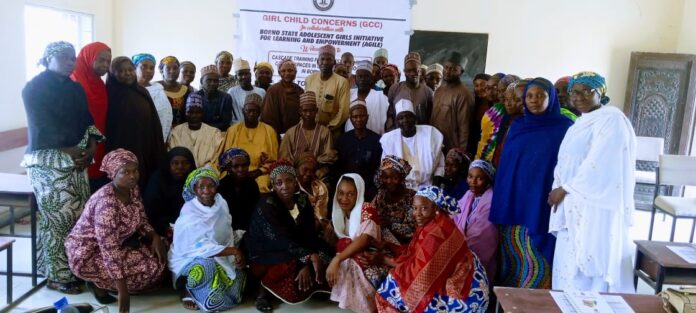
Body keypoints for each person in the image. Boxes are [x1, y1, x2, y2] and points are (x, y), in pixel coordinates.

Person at [22, 41, 105, 294]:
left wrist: (91, 148)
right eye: (64, 57)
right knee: (57, 219)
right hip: (48, 161)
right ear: (48, 58)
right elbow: (42, 126)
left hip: (77, 160)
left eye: (72, 57)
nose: (71, 61)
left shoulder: (75, 89)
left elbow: (87, 120)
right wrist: (69, 150)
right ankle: (58, 276)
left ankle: (69, 267)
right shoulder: (34, 88)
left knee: (77, 218)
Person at [548, 71, 636, 293]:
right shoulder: (580, 122)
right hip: (571, 203)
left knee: (590, 263)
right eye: (574, 92)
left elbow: (601, 163)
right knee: (568, 265)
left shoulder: (612, 120)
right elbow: (566, 159)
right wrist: (559, 185)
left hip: (594, 204)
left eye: (586, 91)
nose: (578, 97)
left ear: (601, 93)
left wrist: (565, 188)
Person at [490, 77, 574, 289]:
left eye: (540, 95)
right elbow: (508, 164)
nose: (534, 100)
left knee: (537, 257)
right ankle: (510, 302)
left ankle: (535, 305)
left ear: (551, 97)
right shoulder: (517, 126)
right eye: (529, 96)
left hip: (542, 200)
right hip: (514, 200)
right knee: (512, 256)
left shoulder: (565, 128)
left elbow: (569, 166)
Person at [65, 149, 167, 312]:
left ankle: (105, 281)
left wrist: (155, 237)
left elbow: (141, 220)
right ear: (113, 174)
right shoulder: (106, 204)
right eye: (125, 172)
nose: (132, 176)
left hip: (115, 247)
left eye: (135, 171)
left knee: (159, 259)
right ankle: (98, 283)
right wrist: (123, 293)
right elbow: (109, 250)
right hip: (88, 255)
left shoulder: (131, 190)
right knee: (149, 271)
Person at [375, 186, 490, 313]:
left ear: (435, 208)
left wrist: (382, 259)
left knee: (387, 292)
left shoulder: (436, 234)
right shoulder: (438, 222)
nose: (417, 213)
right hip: (471, 278)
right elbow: (417, 252)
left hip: (468, 297)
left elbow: (420, 273)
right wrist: (390, 246)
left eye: (424, 208)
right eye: (415, 208)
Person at [245, 160, 329, 312]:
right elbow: (279, 239)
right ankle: (263, 291)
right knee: (291, 265)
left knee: (325, 254)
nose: (285, 186)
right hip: (268, 251)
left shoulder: (302, 199)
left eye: (289, 180)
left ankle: (315, 287)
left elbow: (309, 232)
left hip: (295, 246)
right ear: (273, 185)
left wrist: (310, 256)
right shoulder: (267, 204)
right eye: (279, 183)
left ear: (295, 181)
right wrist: (306, 258)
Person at [169, 167, 247, 311]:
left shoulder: (221, 203)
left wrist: (233, 253)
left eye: (211, 185)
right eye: (201, 187)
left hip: (220, 252)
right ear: (194, 189)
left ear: (216, 186)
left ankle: (210, 294)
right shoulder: (189, 214)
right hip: (192, 257)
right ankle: (188, 291)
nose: (206, 191)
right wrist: (233, 251)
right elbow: (198, 247)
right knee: (204, 267)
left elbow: (226, 231)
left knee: (239, 278)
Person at [326, 174, 390, 313]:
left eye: (350, 194)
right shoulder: (340, 213)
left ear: (358, 194)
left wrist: (337, 259)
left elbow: (365, 240)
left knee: (350, 258)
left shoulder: (367, 209)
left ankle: (368, 307)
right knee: (344, 251)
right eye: (341, 193)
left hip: (378, 254)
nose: (344, 199)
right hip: (358, 252)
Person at [105, 57, 166, 190]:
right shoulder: (110, 94)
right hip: (121, 148)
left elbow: (154, 122)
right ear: (112, 73)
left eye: (130, 69)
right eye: (121, 71)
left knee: (144, 181)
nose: (127, 73)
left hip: (145, 146)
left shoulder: (142, 91)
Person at [71, 41, 111, 191]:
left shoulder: (100, 84)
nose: (106, 64)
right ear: (89, 58)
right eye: (101, 60)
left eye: (108, 61)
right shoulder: (74, 80)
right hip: (78, 145)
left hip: (98, 142)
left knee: (95, 187)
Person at [218, 93, 278, 193]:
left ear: (260, 112)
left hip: (259, 174)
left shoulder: (269, 131)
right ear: (243, 111)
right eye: (248, 110)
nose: (251, 114)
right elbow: (225, 157)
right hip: (234, 172)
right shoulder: (233, 130)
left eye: (255, 111)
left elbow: (273, 160)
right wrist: (236, 171)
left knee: (260, 188)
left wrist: (259, 171)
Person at [381, 99, 445, 190]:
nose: (405, 120)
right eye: (401, 118)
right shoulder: (389, 141)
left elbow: (440, 166)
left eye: (408, 116)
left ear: (415, 118)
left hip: (427, 187)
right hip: (400, 189)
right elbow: (386, 169)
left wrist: (433, 190)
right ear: (396, 121)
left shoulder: (430, 135)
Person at [453, 160, 498, 281]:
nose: (473, 181)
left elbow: (482, 235)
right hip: (460, 250)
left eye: (479, 178)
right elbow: (454, 215)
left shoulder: (490, 201)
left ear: (488, 181)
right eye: (470, 176)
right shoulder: (469, 195)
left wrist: (457, 251)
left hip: (477, 257)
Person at [143, 147, 195, 238]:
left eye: (185, 163)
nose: (180, 167)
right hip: (162, 229)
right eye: (175, 163)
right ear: (168, 164)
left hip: (191, 227)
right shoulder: (157, 180)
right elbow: (151, 213)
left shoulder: (196, 181)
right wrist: (166, 229)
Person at [336, 102, 383, 200]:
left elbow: (378, 168)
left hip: (369, 187)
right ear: (350, 119)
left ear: (367, 117)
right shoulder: (343, 140)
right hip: (346, 185)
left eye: (362, 116)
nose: (359, 119)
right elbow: (338, 167)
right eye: (355, 117)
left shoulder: (377, 140)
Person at [279, 91, 337, 168]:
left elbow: (329, 157)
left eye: (311, 110)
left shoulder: (325, 132)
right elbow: (284, 158)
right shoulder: (290, 133)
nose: (308, 114)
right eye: (305, 111)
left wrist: (316, 161)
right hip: (294, 173)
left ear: (316, 110)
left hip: (317, 172)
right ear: (300, 111)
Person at [304, 44, 350, 138]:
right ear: (317, 61)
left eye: (329, 59)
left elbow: (343, 112)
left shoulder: (342, 82)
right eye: (322, 59)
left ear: (334, 62)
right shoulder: (309, 79)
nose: (325, 62)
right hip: (311, 130)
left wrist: (330, 127)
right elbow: (305, 105)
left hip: (332, 132)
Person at [431, 52, 475, 151]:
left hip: (452, 149)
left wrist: (460, 154)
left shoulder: (464, 95)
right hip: (435, 145)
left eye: (453, 69)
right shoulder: (438, 91)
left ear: (461, 72)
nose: (448, 71)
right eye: (446, 67)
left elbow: (465, 129)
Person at [167, 93, 223, 167]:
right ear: (185, 113)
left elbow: (217, 159)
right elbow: (172, 157)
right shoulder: (176, 132)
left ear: (202, 113)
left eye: (198, 112)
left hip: (206, 174)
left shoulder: (214, 133)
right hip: (181, 172)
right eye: (190, 112)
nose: (194, 116)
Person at [372, 156, 416, 245]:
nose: (389, 181)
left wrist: (389, 224)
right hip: (382, 240)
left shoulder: (411, 197)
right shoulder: (381, 196)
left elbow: (411, 229)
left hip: (407, 244)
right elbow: (371, 214)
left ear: (401, 178)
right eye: (385, 177)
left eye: (394, 178)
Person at [476, 74, 521, 160]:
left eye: (495, 89)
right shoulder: (494, 108)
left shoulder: (510, 114)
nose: (500, 95)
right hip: (485, 156)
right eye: (499, 91)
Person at [386, 52, 433, 131]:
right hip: (398, 134)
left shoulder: (428, 92)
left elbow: (430, 117)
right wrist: (391, 131)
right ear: (404, 72)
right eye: (409, 71)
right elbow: (390, 114)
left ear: (420, 71)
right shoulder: (395, 89)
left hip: (420, 134)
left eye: (415, 70)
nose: (412, 73)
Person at [217, 148, 261, 231]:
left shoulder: (252, 184)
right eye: (236, 166)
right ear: (228, 168)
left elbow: (256, 210)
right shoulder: (221, 186)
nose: (240, 169)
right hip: (227, 230)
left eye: (244, 165)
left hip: (249, 228)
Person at [133, 53, 173, 140]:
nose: (148, 71)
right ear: (134, 68)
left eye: (152, 68)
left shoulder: (158, 90)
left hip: (156, 138)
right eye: (144, 67)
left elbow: (165, 116)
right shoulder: (129, 90)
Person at [261, 59, 304, 136]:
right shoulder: (272, 90)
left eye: (290, 70)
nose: (287, 73)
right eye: (283, 71)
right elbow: (267, 116)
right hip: (275, 133)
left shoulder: (300, 91)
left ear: (295, 73)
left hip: (296, 134)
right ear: (279, 73)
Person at [345, 60, 389, 135]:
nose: (363, 79)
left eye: (366, 76)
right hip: (351, 138)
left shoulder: (381, 96)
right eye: (360, 76)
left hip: (374, 139)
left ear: (371, 79)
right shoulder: (349, 94)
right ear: (355, 79)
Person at [491, 81, 526, 167]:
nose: (508, 104)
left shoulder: (525, 123)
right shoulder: (507, 118)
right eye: (506, 99)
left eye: (515, 100)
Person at [195, 64, 235, 132]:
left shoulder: (226, 98)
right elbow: (193, 121)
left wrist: (204, 127)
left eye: (215, 80)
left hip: (220, 133)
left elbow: (225, 123)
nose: (212, 83)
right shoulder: (194, 97)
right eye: (209, 80)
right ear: (201, 81)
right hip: (198, 133)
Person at [295, 153, 331, 223]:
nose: (308, 173)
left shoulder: (319, 187)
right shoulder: (291, 185)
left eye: (312, 171)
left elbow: (321, 214)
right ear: (297, 168)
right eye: (305, 169)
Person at [228, 57, 266, 124]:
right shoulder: (232, 92)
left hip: (258, 127)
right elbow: (230, 116)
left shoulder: (261, 92)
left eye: (246, 74)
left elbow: (264, 113)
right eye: (240, 74)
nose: (244, 77)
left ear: (250, 75)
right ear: (236, 77)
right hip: (238, 128)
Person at [158, 56, 190, 126]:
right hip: (159, 129)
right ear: (162, 71)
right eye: (168, 68)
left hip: (180, 131)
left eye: (175, 68)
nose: (172, 71)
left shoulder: (185, 90)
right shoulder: (155, 88)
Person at [468, 73, 491, 155]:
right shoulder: (474, 103)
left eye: (482, 85)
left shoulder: (494, 105)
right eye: (476, 85)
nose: (479, 88)